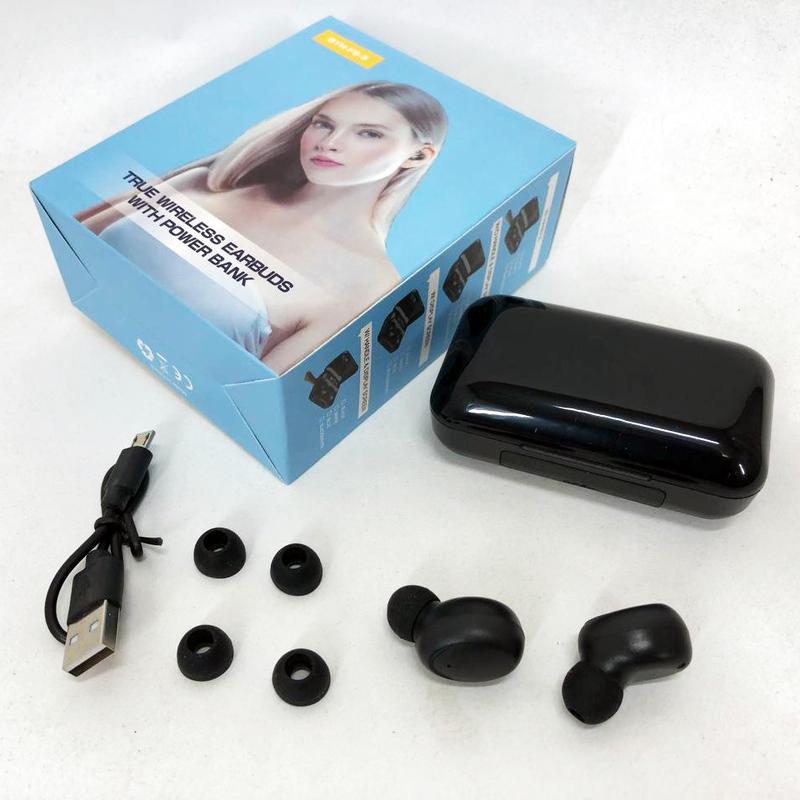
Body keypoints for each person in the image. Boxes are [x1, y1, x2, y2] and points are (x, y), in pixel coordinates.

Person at [77, 81, 447, 374]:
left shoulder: (368, 285)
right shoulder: (205, 184)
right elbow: (74, 242)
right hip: (83, 339)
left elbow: (259, 397)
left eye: (369, 133)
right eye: (323, 124)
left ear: (417, 155)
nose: (330, 143)